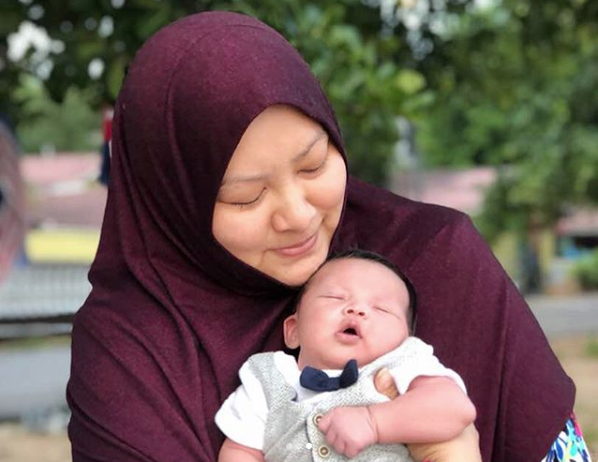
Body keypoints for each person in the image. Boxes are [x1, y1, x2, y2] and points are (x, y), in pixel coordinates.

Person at [67, 11, 589, 462]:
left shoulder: (435, 256)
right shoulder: (131, 346)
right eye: (246, 197)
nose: (296, 216)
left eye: (314, 165)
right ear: (172, 201)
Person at [216, 250, 477, 462]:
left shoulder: (403, 363)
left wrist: (374, 422)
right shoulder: (266, 378)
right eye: (335, 297)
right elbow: (242, 450)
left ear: (405, 338)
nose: (357, 309)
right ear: (294, 331)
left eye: (382, 309)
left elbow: (454, 409)